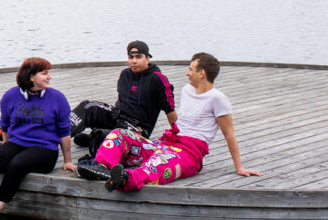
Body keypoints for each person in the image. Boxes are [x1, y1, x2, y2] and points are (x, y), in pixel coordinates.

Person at [96, 51, 260, 192]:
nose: (187, 73)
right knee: (119, 135)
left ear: (201, 73)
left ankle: (125, 179)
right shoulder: (187, 90)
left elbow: (229, 133)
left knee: (157, 164)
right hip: (166, 144)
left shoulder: (218, 99)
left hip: (188, 154)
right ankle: (101, 167)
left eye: (190, 69)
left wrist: (239, 167)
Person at [0, 57, 78, 220]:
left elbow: (64, 132)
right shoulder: (10, 96)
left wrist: (67, 161)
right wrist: (7, 147)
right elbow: (5, 126)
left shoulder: (57, 98)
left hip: (45, 149)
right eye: (44, 73)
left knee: (17, 164)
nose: (49, 77)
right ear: (31, 77)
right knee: (1, 159)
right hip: (17, 143)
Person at [70, 40, 177, 156]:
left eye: (138, 57)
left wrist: (179, 138)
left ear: (147, 58)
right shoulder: (125, 74)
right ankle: (55, 136)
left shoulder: (158, 79)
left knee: (103, 138)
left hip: (136, 129)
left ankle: (96, 138)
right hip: (118, 116)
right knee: (87, 106)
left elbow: (170, 111)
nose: (134, 61)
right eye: (131, 57)